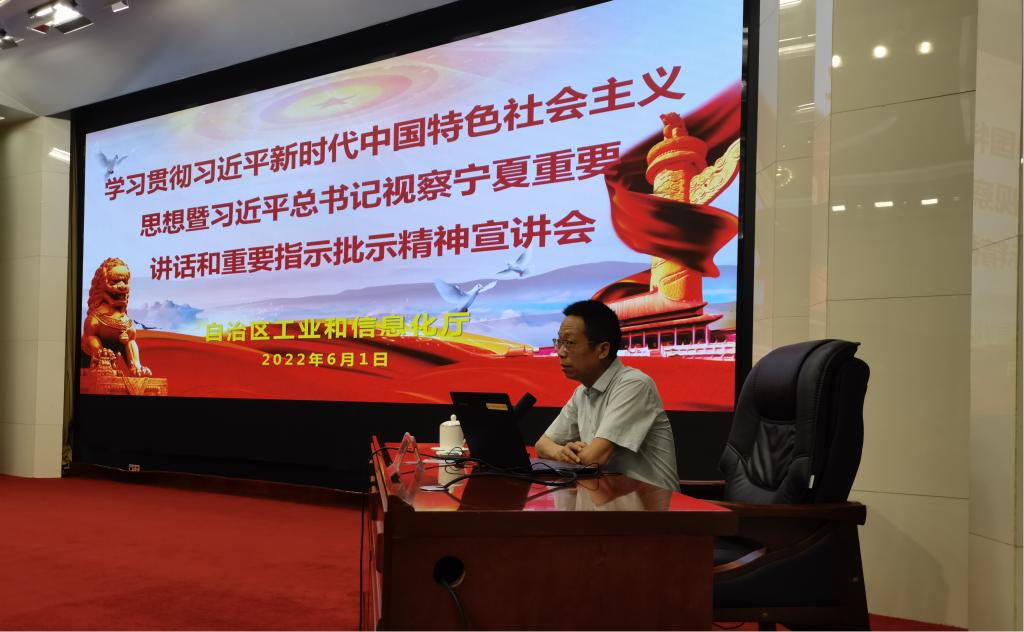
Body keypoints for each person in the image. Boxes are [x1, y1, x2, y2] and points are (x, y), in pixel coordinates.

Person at [535, 300, 679, 491]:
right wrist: (562, 452)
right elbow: (542, 445)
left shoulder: (634, 385)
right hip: (605, 497)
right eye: (559, 342)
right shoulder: (582, 392)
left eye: (569, 343)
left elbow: (593, 460)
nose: (561, 352)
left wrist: (570, 454)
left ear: (602, 350)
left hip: (651, 504)